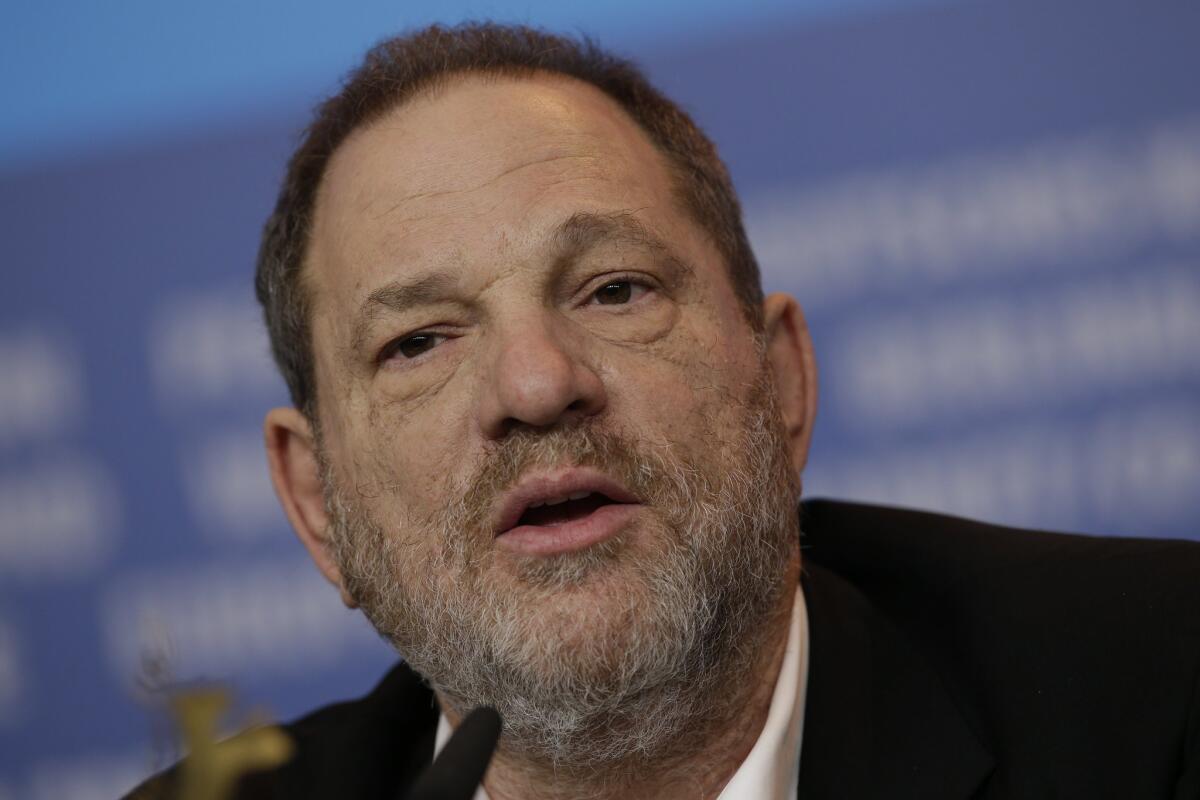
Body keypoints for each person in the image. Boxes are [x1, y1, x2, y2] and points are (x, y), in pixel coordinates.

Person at [131, 22, 1200, 800]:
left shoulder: (1157, 687)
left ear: (779, 380)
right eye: (419, 341)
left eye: (614, 289)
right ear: (319, 504)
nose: (538, 385)